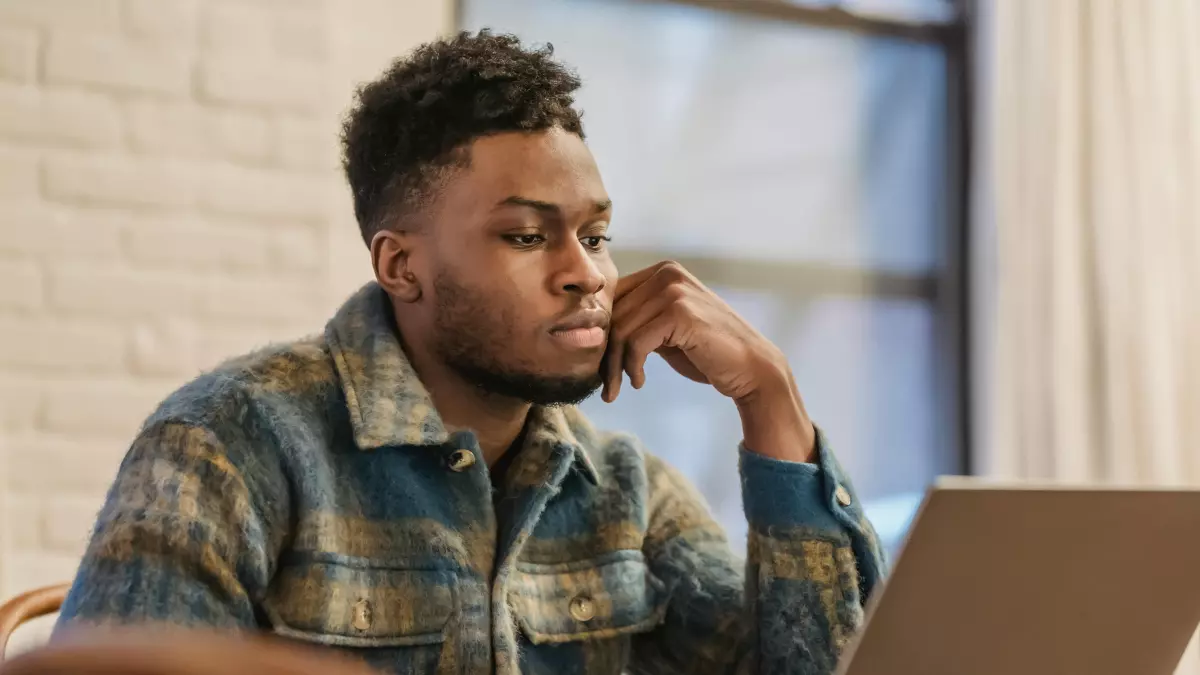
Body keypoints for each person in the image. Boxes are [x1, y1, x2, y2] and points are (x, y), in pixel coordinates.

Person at [53, 30, 886, 675]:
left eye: (596, 235)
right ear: (400, 264)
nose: (587, 274)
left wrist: (771, 402)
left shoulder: (629, 495)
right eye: (528, 235)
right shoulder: (229, 442)